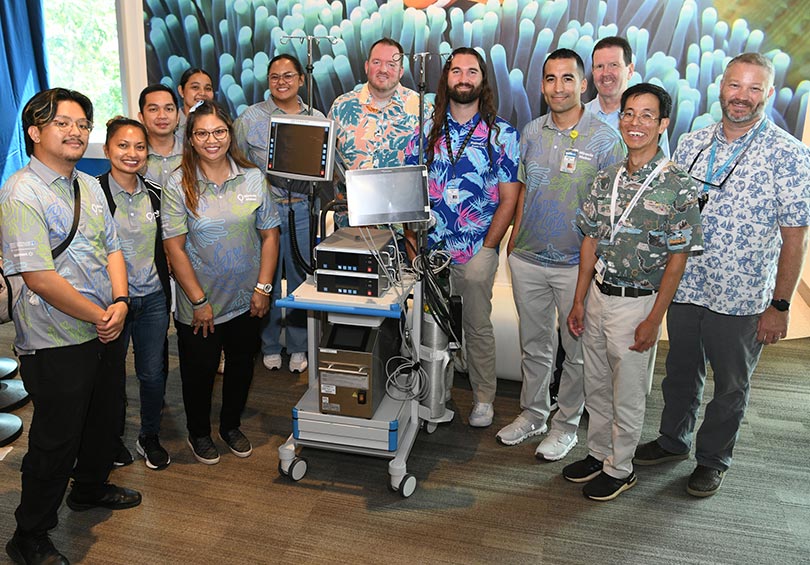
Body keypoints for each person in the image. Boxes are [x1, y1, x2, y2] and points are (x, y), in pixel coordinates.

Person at [633, 53, 810, 497]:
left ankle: (713, 460)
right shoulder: (692, 144)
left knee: (730, 385)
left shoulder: (790, 155)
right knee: (679, 371)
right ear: (720, 87)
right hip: (687, 285)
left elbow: (794, 239)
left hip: (744, 298)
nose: (742, 97)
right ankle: (674, 440)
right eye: (735, 85)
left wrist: (781, 305)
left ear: (768, 94)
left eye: (754, 89)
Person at [1, 88, 141, 565]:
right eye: (64, 122)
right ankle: (29, 535)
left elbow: (113, 248)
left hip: (103, 325)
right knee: (54, 441)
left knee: (103, 418)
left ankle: (89, 488)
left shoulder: (88, 185)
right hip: (54, 337)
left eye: (82, 123)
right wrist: (101, 314)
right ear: (36, 132)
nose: (77, 131)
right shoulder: (22, 192)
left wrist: (120, 300)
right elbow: (38, 277)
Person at [562, 83, 703, 501]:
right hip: (600, 295)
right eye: (628, 113)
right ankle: (599, 453)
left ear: (662, 124)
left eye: (646, 115)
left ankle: (621, 468)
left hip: (638, 302)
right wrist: (579, 298)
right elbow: (590, 240)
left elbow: (678, 260)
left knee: (627, 392)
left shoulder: (678, 184)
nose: (635, 122)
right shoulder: (607, 177)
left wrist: (654, 319)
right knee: (597, 383)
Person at [498, 49, 625, 459]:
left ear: (583, 84)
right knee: (533, 345)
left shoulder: (607, 140)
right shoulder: (531, 132)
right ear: (541, 86)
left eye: (567, 78)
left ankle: (566, 424)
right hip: (528, 259)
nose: (558, 87)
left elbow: (612, 210)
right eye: (550, 79)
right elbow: (521, 190)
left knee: (578, 353)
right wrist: (514, 239)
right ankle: (533, 413)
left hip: (577, 266)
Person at [405, 47, 520, 428]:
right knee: (432, 324)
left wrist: (489, 248)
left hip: (477, 248)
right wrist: (411, 246)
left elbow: (509, 198)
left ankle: (484, 397)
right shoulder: (425, 130)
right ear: (446, 79)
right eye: (457, 70)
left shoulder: (503, 134)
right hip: (431, 249)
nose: (464, 77)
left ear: (483, 81)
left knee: (476, 325)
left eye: (473, 71)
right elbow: (409, 191)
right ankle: (436, 394)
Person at [162, 100, 280, 465]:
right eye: (202, 133)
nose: (211, 140)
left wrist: (263, 288)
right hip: (201, 304)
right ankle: (199, 432)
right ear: (191, 139)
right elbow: (174, 247)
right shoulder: (177, 183)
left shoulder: (253, 177)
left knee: (243, 365)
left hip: (248, 299)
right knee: (198, 372)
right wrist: (198, 301)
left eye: (218, 131)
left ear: (229, 134)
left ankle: (230, 425)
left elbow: (270, 235)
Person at [234, 54, 323, 374]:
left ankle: (299, 346)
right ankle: (270, 344)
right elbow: (237, 162)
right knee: (265, 279)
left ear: (301, 79)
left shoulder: (316, 117)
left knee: (301, 280)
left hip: (301, 211)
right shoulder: (250, 118)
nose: (281, 82)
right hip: (263, 213)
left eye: (288, 76)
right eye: (274, 76)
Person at [98, 117, 172, 471]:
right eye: (123, 145)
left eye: (139, 147)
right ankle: (110, 438)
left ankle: (149, 436)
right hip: (112, 302)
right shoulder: (92, 194)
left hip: (154, 298)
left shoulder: (156, 194)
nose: (131, 153)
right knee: (111, 374)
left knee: (152, 373)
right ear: (107, 149)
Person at [328, 37, 428, 227]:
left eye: (391, 64)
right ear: (366, 66)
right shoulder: (341, 107)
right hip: (351, 227)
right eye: (377, 62)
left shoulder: (421, 108)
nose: (383, 70)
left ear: (401, 71)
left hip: (405, 231)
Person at [585, 36, 670, 155]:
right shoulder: (577, 117)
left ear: (630, 70)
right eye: (599, 66)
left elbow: (661, 168)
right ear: (593, 72)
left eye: (613, 65)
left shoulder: (650, 123)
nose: (605, 73)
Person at [138, 84, 183, 187]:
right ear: (141, 117)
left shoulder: (192, 153)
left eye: (169, 109)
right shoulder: (134, 156)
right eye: (153, 109)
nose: (162, 116)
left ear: (177, 117)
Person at [175, 68, 215, 142]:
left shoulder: (219, 124)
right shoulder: (171, 124)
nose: (202, 93)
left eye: (208, 88)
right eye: (195, 87)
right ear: (181, 91)